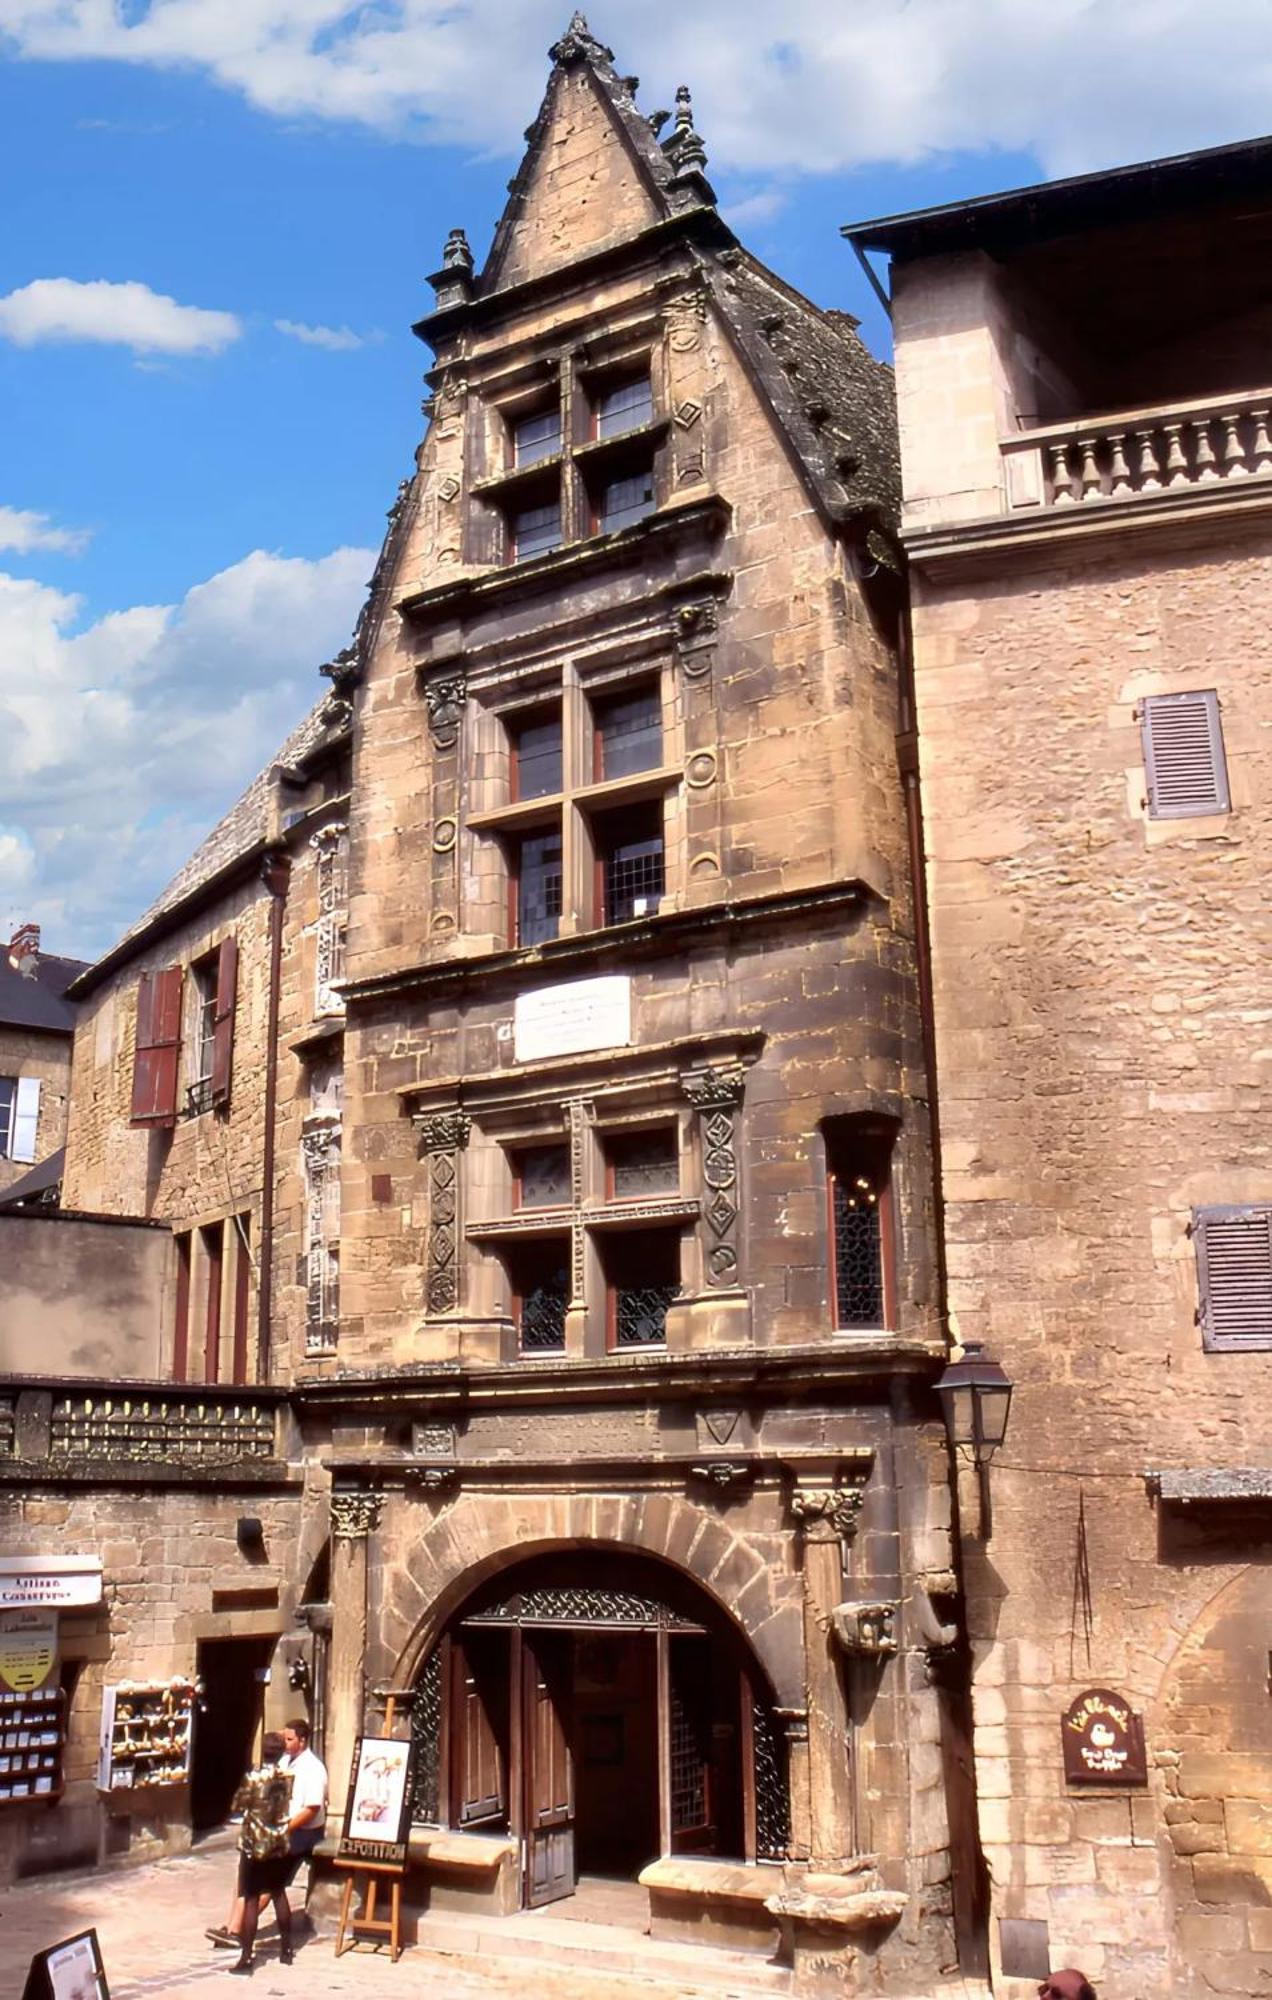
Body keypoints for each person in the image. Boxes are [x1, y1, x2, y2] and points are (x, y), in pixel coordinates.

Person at [223, 1731, 294, 1977]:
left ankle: (246, 1956)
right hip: (278, 1842)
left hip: (255, 1843)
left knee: (251, 1898)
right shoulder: (285, 1778)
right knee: (278, 1893)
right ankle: (287, 1949)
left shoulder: (253, 1778)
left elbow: (237, 1804)